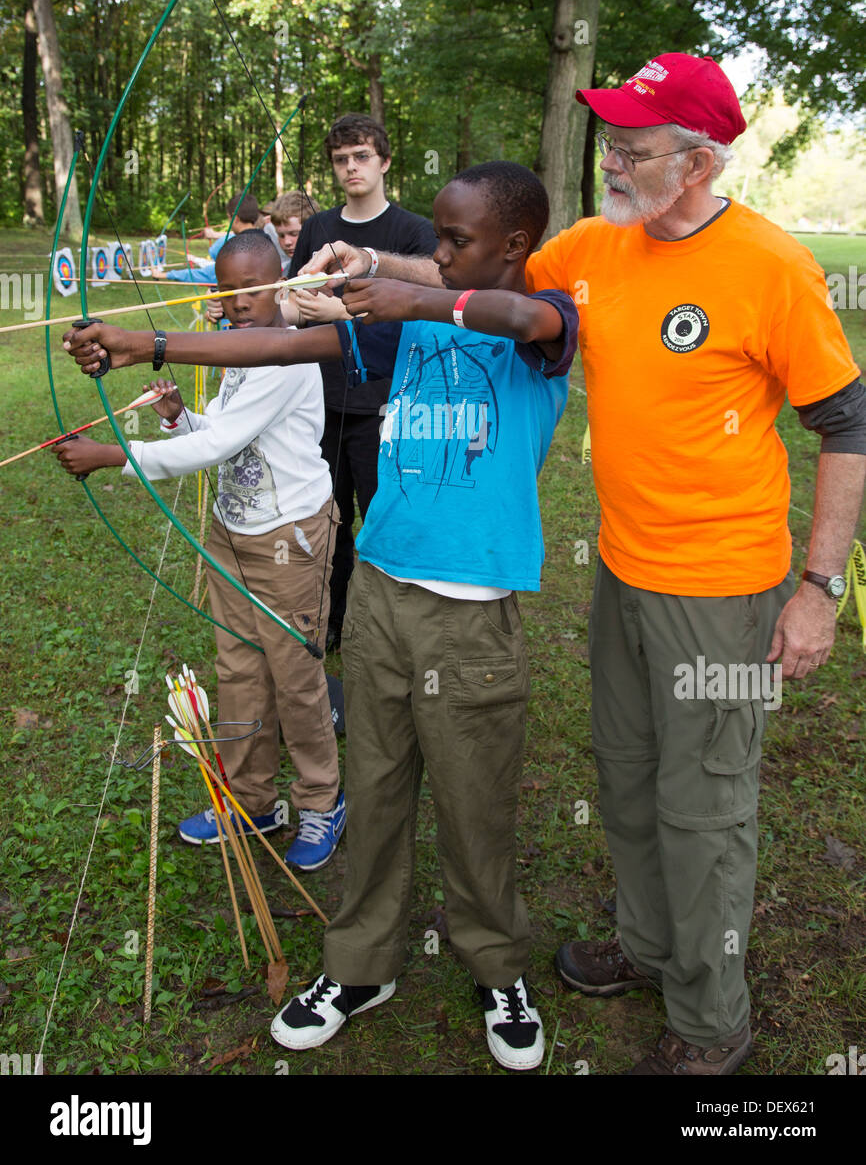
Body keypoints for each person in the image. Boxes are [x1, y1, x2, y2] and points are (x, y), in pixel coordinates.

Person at [62, 161, 579, 1072]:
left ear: (514, 246)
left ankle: (497, 967)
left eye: (457, 242)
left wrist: (404, 286)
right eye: (439, 238)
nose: (440, 253)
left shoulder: (544, 323)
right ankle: (360, 962)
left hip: (472, 615)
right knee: (375, 790)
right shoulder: (399, 329)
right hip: (378, 591)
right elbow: (277, 349)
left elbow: (525, 317)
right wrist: (150, 346)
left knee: (473, 802)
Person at [523, 53, 866, 1075]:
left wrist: (818, 589)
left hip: (721, 590)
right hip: (622, 571)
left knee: (703, 805)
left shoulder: (769, 266)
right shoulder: (596, 245)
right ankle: (645, 943)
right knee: (626, 781)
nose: (612, 163)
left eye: (634, 148)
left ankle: (711, 1022)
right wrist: (367, 273)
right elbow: (489, 277)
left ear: (700, 162)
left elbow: (843, 424)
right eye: (611, 143)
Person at [55, 231, 346, 872]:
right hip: (233, 533)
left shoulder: (288, 354)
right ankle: (253, 800)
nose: (239, 304)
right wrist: (179, 416)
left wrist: (113, 456)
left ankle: (322, 799)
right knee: (239, 669)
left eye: (252, 291)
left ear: (280, 286)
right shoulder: (235, 352)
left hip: (287, 542)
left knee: (296, 678)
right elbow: (217, 431)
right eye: (228, 291)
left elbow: (216, 450)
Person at [290, 113, 438, 651]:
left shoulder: (413, 233)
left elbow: (419, 317)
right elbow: (293, 298)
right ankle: (331, 617)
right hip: (320, 400)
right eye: (340, 159)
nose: (351, 167)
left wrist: (342, 312)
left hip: (386, 404)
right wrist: (290, 306)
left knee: (381, 516)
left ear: (384, 162)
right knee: (327, 518)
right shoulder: (316, 229)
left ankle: (383, 626)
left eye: (361, 157)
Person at [157, 193, 261, 285]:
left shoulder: (232, 246)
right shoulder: (266, 241)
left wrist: (164, 275)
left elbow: (206, 274)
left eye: (229, 218)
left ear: (236, 219)